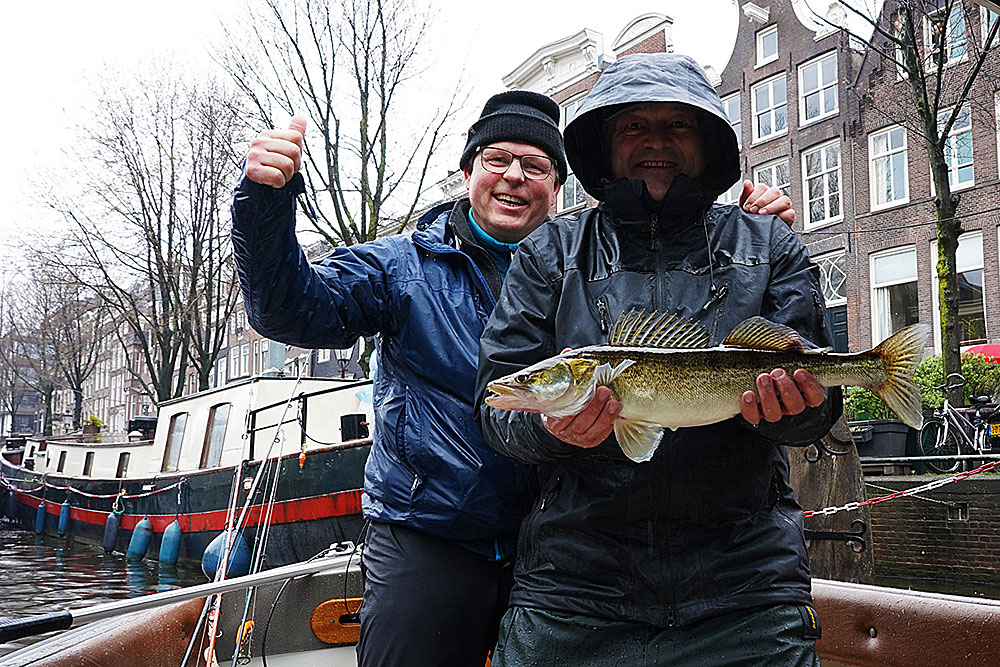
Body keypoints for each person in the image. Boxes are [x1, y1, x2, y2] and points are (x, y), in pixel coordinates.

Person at [231, 90, 795, 665]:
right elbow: (288, 311)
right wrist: (265, 207)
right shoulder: (401, 268)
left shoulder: (581, 263)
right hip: (440, 533)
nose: (514, 178)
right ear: (469, 170)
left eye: (537, 166)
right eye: (497, 159)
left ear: (559, 186)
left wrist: (747, 240)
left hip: (559, 546)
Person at [475, 53, 842, 667]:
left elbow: (820, 405)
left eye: (678, 126)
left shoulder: (770, 243)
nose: (656, 143)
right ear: (605, 144)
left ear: (706, 144)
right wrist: (549, 429)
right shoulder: (549, 252)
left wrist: (793, 411)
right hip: (573, 597)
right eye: (634, 127)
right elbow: (496, 407)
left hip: (744, 595)